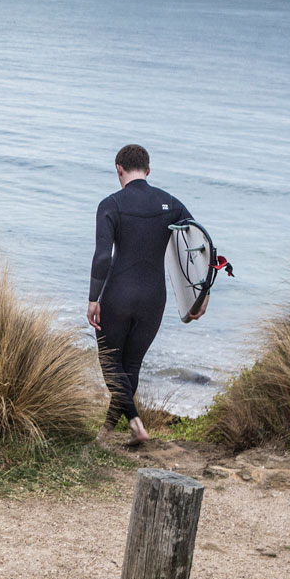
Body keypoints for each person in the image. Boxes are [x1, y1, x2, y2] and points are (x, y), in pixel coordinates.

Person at [86, 144, 204, 445]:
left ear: (119, 169)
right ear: (148, 171)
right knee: (132, 365)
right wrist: (200, 297)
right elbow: (200, 247)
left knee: (112, 364)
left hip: (118, 296)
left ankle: (136, 423)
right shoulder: (170, 203)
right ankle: (108, 433)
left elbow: (102, 257)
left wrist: (93, 298)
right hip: (154, 298)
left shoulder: (110, 204)